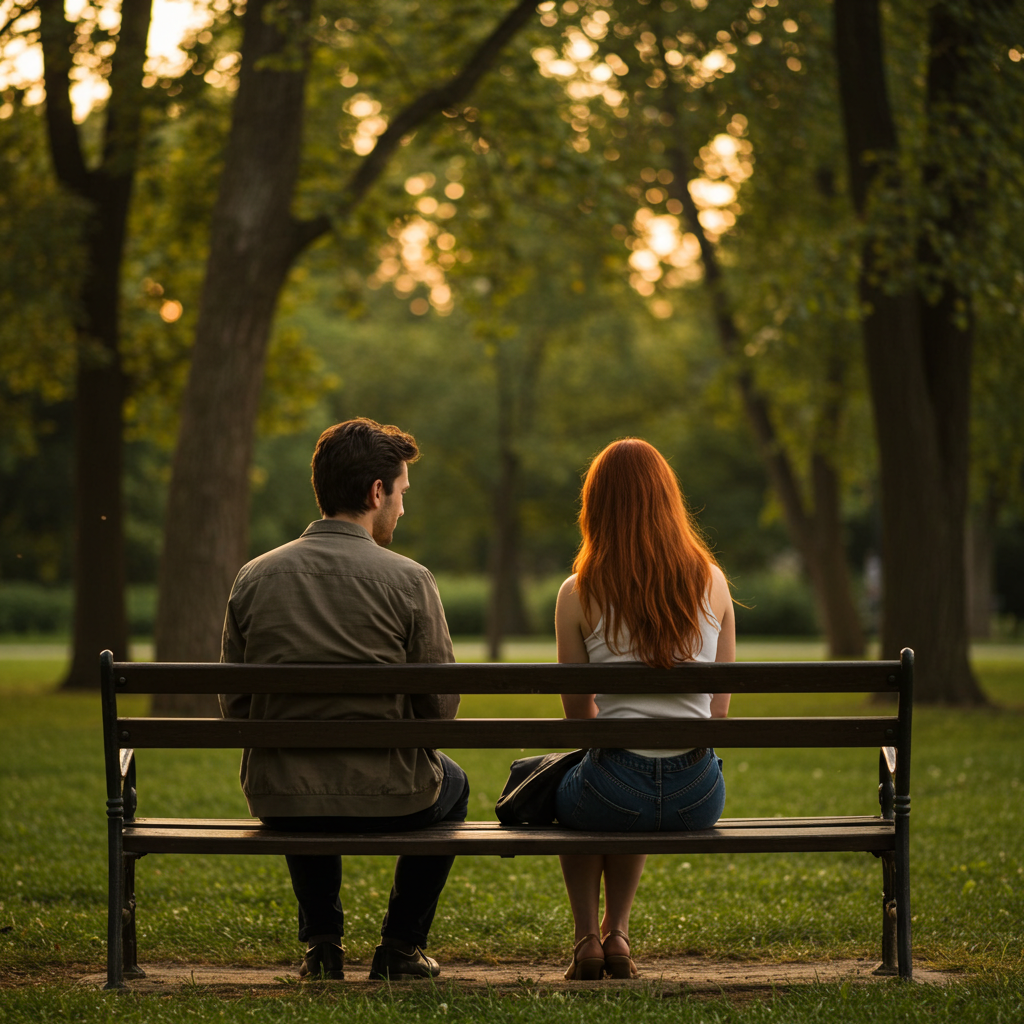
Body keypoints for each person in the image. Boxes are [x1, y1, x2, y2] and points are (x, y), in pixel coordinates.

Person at [218, 418, 468, 982]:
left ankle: (322, 947)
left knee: (304, 771)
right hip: (392, 797)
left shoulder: (255, 576)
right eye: (402, 493)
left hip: (281, 796)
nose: (402, 508)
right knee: (454, 785)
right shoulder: (410, 580)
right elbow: (439, 708)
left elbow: (235, 704)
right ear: (376, 492)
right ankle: (401, 947)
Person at [553, 438, 735, 980]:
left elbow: (576, 715)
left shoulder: (577, 592)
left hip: (613, 789)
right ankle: (620, 935)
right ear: (669, 502)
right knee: (616, 779)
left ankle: (588, 939)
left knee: (582, 789)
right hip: (698, 795)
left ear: (597, 506)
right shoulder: (714, 581)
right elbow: (718, 713)